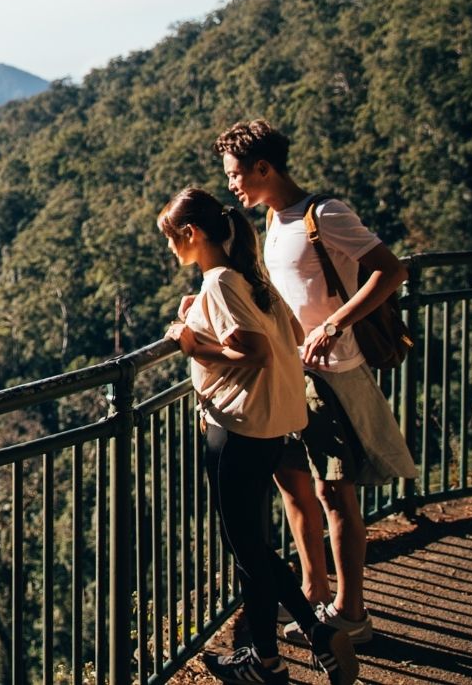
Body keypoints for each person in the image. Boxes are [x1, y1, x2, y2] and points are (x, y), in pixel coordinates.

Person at [215, 119, 417, 647]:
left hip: (330, 376)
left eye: (237, 174)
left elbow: (390, 271)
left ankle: (351, 612)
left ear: (264, 168)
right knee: (294, 488)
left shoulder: (323, 214)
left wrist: (334, 323)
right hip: (290, 376)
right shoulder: (274, 223)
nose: (233, 185)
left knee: (333, 492)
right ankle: (312, 590)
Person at [159, 187, 359, 685]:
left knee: (246, 549)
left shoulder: (222, 281)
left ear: (193, 234)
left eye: (171, 238)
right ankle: (309, 635)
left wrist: (191, 343)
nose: (169, 248)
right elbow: (288, 334)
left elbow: (254, 351)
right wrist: (201, 313)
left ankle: (267, 661)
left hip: (237, 428)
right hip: (273, 425)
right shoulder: (251, 278)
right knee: (254, 546)